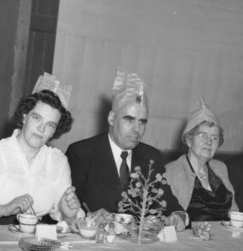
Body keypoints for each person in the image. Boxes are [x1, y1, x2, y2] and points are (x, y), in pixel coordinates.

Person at [0, 74, 82, 225]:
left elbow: (67, 215)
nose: (41, 128)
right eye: (37, 118)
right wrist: (3, 209)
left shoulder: (58, 162)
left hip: (36, 242)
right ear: (24, 117)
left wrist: (69, 215)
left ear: (54, 131)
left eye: (50, 125)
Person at [66, 69, 187, 229]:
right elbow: (72, 205)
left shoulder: (151, 156)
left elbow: (169, 203)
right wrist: (90, 215)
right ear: (111, 118)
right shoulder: (82, 153)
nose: (137, 129)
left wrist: (179, 216)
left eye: (142, 122)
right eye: (129, 120)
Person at [164, 97, 238, 221]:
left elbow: (234, 211)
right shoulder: (172, 172)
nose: (209, 142)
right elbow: (172, 218)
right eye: (203, 136)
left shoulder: (220, 168)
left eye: (214, 138)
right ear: (189, 140)